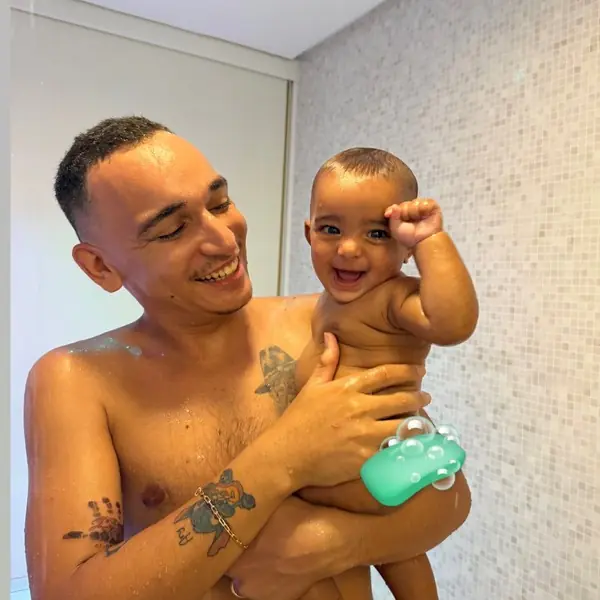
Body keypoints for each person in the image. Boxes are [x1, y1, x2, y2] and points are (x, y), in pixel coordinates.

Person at [23, 116, 472, 600]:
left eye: (220, 203)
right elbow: (67, 592)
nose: (224, 239)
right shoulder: (76, 381)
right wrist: (284, 458)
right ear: (100, 266)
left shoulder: (325, 324)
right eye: (172, 230)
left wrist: (331, 544)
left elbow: (445, 494)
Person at [293, 148, 479, 599]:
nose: (348, 248)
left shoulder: (394, 298)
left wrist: (432, 242)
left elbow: (453, 324)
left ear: (405, 247)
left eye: (377, 233)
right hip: (349, 461)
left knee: (387, 546)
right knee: (385, 554)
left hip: (374, 459)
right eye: (331, 229)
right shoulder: (327, 299)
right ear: (309, 233)